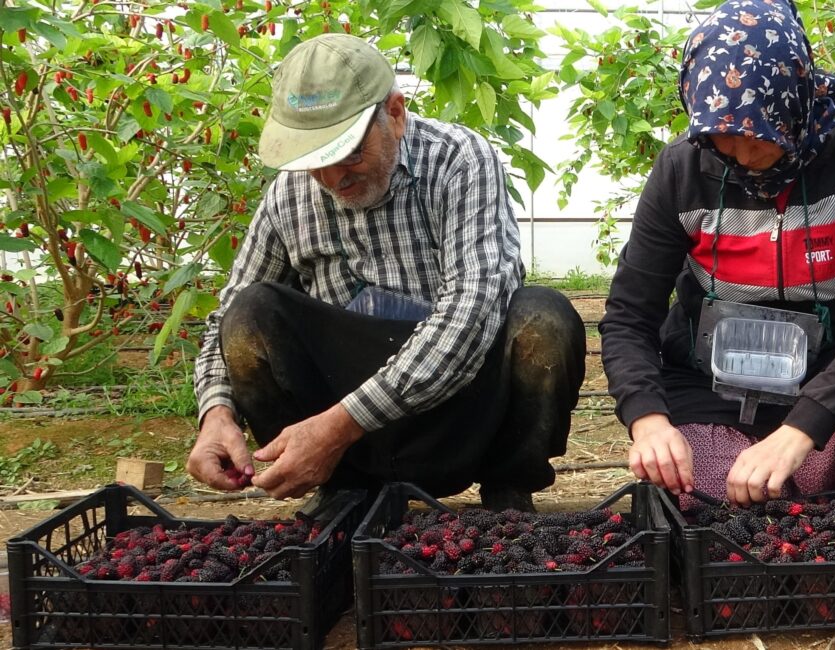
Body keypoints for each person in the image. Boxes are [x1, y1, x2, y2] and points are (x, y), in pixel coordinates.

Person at [188, 34, 586, 512]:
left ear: (395, 114)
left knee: (543, 318)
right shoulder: (287, 196)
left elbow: (468, 319)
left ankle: (507, 488)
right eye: (317, 161)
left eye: (350, 153)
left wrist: (338, 425)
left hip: (465, 412)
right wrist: (215, 412)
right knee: (248, 313)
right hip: (351, 425)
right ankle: (348, 489)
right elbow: (227, 315)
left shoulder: (459, 160)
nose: (335, 176)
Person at [599, 0, 835, 508]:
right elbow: (628, 315)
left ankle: (822, 487)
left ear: (790, 101)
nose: (744, 159)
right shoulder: (681, 170)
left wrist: (801, 430)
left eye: (756, 138)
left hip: (833, 400)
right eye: (723, 144)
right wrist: (648, 419)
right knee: (696, 497)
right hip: (713, 398)